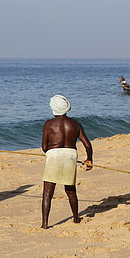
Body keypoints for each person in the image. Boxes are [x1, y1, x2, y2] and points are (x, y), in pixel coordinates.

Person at [41, 95, 93, 229]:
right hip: (70, 155)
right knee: (70, 190)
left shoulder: (48, 124)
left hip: (53, 155)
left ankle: (45, 224)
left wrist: (51, 152)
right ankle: (76, 218)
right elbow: (87, 145)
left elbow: (44, 147)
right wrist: (89, 160)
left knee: (47, 193)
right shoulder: (75, 124)